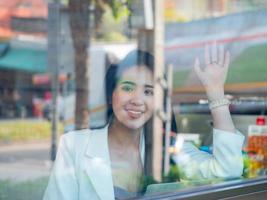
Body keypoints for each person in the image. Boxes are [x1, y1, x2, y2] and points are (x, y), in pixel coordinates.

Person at [43, 45, 244, 200]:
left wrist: (215, 91)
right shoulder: (74, 145)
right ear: (112, 92)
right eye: (128, 88)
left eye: (148, 91)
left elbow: (228, 171)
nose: (137, 100)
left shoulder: (167, 150)